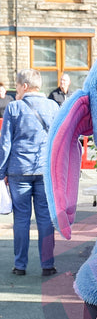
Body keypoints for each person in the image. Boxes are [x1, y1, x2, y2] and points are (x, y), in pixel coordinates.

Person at [0, 69, 59, 276]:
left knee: (21, 219)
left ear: (24, 86)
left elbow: (5, 143)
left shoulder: (14, 107)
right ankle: (47, 265)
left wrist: (1, 172)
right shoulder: (53, 106)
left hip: (18, 171)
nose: (16, 89)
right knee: (45, 218)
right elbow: (57, 139)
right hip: (44, 170)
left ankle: (20, 266)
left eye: (17, 85)